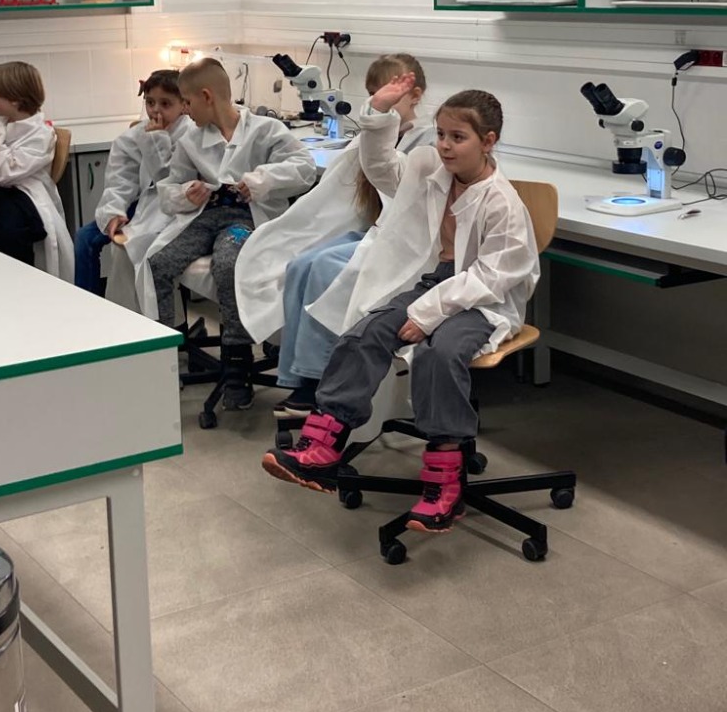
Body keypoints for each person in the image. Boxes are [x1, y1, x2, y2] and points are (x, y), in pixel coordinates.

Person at [262, 75, 540, 534]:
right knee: (367, 332)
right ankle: (325, 447)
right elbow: (380, 168)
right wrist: (377, 113)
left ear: (488, 141)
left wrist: (426, 314)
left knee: (440, 352)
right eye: (441, 134)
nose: (445, 146)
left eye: (458, 137)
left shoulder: (502, 202)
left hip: (484, 301)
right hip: (436, 283)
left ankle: (446, 482)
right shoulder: (432, 170)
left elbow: (492, 277)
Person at [236, 53, 434, 418]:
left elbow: (396, 181)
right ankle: (296, 375)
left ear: (415, 94)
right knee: (300, 265)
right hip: (374, 230)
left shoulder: (428, 142)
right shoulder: (373, 136)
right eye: (375, 94)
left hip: (408, 244)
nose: (383, 101)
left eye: (391, 93)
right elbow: (355, 181)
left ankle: (319, 380)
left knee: (327, 268)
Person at [144, 57, 316, 409]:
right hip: (205, 217)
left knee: (229, 264)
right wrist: (186, 193)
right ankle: (169, 351)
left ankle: (237, 360)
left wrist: (263, 180)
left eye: (187, 102)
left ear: (206, 97)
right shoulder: (192, 139)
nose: (185, 111)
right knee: (159, 263)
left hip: (246, 218)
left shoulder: (266, 131)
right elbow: (170, 187)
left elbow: (305, 168)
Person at [74, 69, 191, 296]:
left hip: (174, 210)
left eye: (165, 104)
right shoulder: (133, 136)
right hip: (141, 206)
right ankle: (87, 302)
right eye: (150, 102)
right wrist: (113, 211)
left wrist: (157, 141)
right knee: (84, 238)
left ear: (183, 105)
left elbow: (170, 179)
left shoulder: (191, 134)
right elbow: (120, 181)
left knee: (133, 248)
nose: (155, 110)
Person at [0, 60, 73, 279]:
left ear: (15, 99)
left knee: (7, 227)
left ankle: (16, 279)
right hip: (2, 191)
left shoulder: (42, 135)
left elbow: (3, 172)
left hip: (24, 197)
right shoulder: (2, 123)